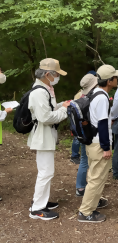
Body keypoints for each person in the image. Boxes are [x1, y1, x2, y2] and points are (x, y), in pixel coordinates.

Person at [77, 65, 118, 223]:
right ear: (109, 81)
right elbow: (102, 124)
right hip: (99, 143)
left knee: (94, 175)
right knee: (97, 178)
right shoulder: (102, 98)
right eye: (115, 77)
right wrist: (105, 147)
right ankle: (85, 212)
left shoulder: (94, 93)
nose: (117, 79)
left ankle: (93, 202)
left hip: (92, 141)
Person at [27, 58, 71, 220]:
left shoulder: (45, 89)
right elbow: (45, 117)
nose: (57, 77)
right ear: (47, 74)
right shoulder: (39, 92)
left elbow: (49, 109)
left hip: (45, 136)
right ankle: (37, 209)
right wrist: (64, 110)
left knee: (46, 171)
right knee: (46, 172)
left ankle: (41, 201)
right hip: (42, 136)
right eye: (56, 74)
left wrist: (63, 105)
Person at [75, 73, 98, 197]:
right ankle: (84, 189)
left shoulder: (79, 96)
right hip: (89, 133)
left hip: (81, 133)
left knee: (84, 160)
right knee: (86, 160)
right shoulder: (91, 98)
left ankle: (80, 186)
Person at [71, 70, 97, 165]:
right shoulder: (80, 94)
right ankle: (74, 156)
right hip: (81, 122)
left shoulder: (91, 93)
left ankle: (78, 157)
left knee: (81, 141)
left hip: (84, 122)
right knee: (77, 139)